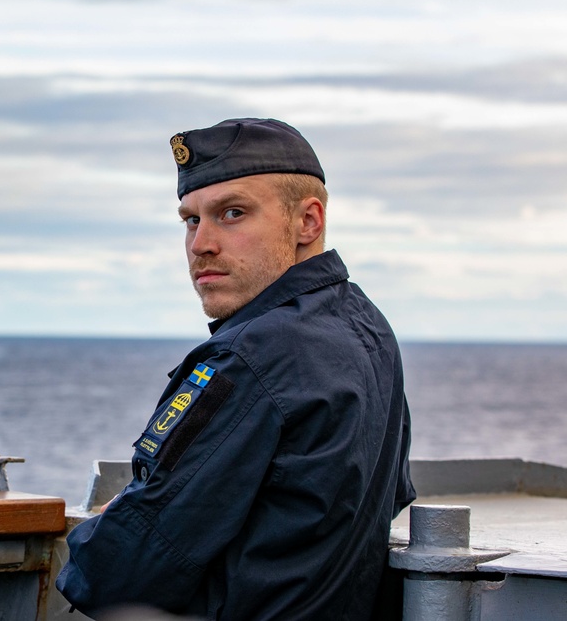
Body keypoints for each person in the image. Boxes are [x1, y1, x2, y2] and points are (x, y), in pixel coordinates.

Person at [55, 118, 415, 620]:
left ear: (307, 222)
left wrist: (111, 525)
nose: (201, 243)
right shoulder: (369, 329)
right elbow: (388, 497)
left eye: (232, 213)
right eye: (191, 220)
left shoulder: (251, 356)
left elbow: (121, 570)